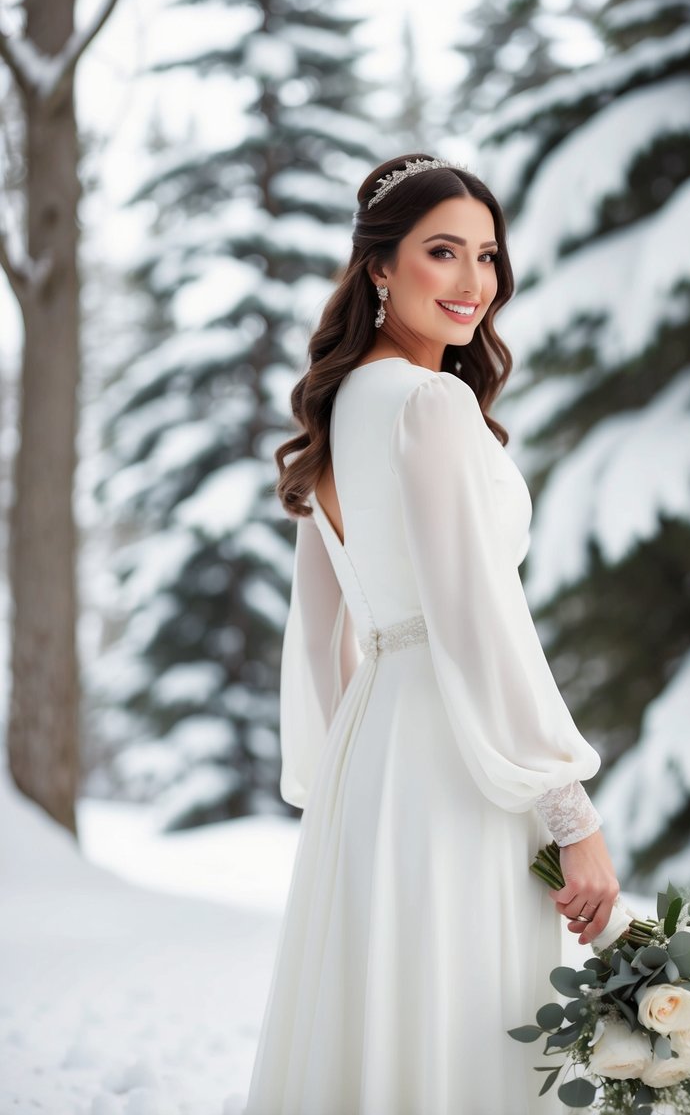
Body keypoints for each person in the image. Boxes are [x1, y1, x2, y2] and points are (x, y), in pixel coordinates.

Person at [244, 154, 620, 1115]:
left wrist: (344, 777)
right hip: (456, 752)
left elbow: (325, 629)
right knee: (469, 1017)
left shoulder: (339, 409)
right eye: (440, 252)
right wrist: (568, 811)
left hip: (374, 751)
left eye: (486, 256)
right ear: (379, 267)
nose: (471, 283)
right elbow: (479, 619)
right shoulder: (427, 403)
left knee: (382, 1018)